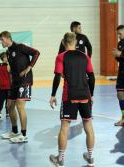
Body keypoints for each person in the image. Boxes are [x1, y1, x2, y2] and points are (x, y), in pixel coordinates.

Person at [49, 32, 95, 167]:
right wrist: (91, 95)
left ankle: (61, 159)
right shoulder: (85, 56)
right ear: (75, 41)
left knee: (64, 127)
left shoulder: (61, 57)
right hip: (85, 95)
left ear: (63, 42)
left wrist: (53, 95)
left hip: (70, 96)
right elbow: (91, 77)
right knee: (88, 125)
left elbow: (57, 76)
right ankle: (91, 158)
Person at [0, 31, 40, 143]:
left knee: (20, 105)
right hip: (15, 83)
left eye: (1, 39)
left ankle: (24, 134)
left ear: (7, 38)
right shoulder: (8, 52)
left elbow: (36, 53)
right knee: (9, 105)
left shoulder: (20, 47)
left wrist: (29, 67)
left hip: (25, 81)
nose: (1, 42)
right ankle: (14, 131)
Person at [0, 52, 11, 119]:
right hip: (8, 86)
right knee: (8, 100)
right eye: (7, 56)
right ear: (4, 58)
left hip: (0, 86)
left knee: (0, 100)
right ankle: (8, 113)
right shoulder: (8, 65)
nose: (8, 57)